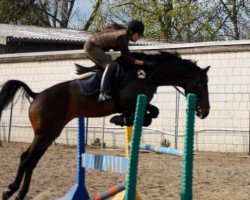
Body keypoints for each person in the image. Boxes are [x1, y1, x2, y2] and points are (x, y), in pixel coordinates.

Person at [84, 20, 155, 102]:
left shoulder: (124, 36)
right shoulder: (123, 37)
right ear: (132, 32)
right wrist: (145, 63)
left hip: (96, 47)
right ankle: (102, 94)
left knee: (115, 66)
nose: (139, 38)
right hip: (92, 47)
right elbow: (128, 59)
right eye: (139, 35)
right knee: (111, 65)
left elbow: (126, 54)